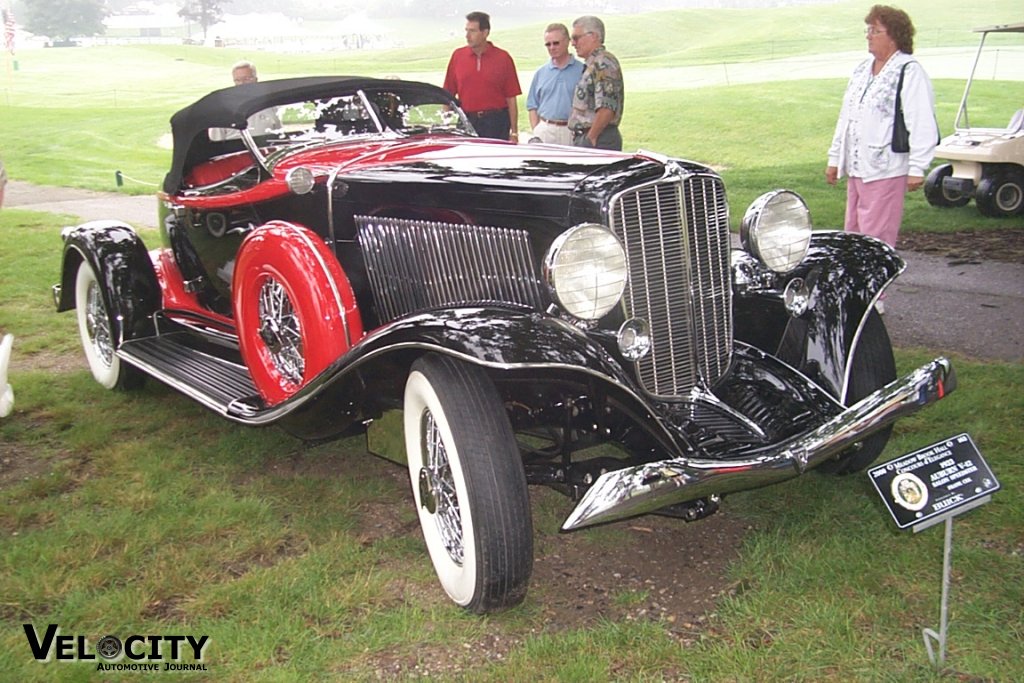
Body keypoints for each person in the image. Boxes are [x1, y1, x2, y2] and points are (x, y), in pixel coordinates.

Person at [825, 5, 938, 252]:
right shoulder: (861, 70)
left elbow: (921, 122)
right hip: (857, 168)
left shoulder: (909, 71)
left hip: (886, 169)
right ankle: (855, 286)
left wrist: (917, 167)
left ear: (894, 35)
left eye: (875, 30)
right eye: (868, 29)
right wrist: (835, 158)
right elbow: (846, 117)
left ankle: (876, 290)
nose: (869, 35)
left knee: (876, 237)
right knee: (852, 234)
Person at [443, 11, 521, 142]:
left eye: (472, 31)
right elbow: (447, 93)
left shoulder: (503, 58)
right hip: (467, 121)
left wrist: (514, 132)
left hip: (496, 122)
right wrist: (445, 124)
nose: (467, 36)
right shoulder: (458, 56)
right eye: (466, 31)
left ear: (485, 33)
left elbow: (511, 98)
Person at [567, 16, 624, 151]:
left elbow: (607, 107)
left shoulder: (604, 63)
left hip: (599, 139)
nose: (573, 43)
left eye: (576, 38)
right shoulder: (593, 63)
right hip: (592, 138)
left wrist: (591, 137)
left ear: (593, 36)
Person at [526, 23, 585, 145]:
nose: (552, 47)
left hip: (571, 131)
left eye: (556, 43)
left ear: (567, 41)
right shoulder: (541, 73)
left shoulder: (583, 71)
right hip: (545, 129)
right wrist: (536, 129)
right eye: (548, 44)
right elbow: (532, 105)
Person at [209, 60, 281, 141]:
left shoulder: (270, 105)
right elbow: (215, 143)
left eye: (246, 79)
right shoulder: (223, 111)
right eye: (238, 80)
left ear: (256, 79)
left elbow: (279, 135)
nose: (242, 83)